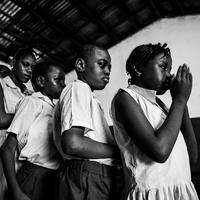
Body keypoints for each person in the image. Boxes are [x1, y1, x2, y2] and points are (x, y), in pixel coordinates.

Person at [110, 43, 199, 200]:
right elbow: (160, 151)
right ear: (138, 68)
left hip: (180, 190)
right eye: (163, 67)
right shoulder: (126, 98)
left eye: (170, 70)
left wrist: (181, 102)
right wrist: (179, 100)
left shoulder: (162, 107)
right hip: (152, 193)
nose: (169, 75)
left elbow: (192, 156)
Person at [53, 44, 121, 200]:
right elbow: (73, 143)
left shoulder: (89, 96)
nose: (108, 71)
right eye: (102, 64)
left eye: (110, 67)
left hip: (92, 175)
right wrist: (120, 151)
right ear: (81, 65)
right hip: (86, 176)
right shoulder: (78, 88)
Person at [0, 62, 66, 200]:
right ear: (41, 81)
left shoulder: (55, 109)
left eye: (64, 81)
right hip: (34, 177)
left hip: (52, 178)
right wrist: (15, 191)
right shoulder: (31, 102)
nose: (63, 85)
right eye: (58, 80)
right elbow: (7, 147)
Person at [0, 47, 36, 200]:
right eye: (25, 64)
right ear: (13, 63)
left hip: (24, 154)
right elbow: (0, 119)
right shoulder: (1, 85)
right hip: (3, 149)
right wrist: (28, 117)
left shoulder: (30, 94)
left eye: (32, 67)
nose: (29, 71)